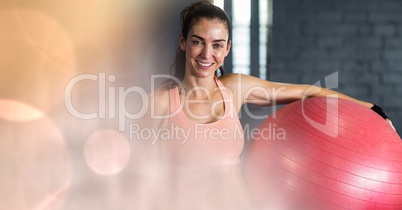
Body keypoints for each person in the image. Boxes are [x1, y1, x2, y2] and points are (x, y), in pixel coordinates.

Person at [137, 1, 392, 209]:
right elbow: (139, 179)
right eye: (198, 41)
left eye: (216, 45)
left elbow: (306, 92)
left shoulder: (235, 88)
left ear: (227, 49)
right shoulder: (159, 102)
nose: (206, 54)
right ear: (183, 42)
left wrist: (370, 108)